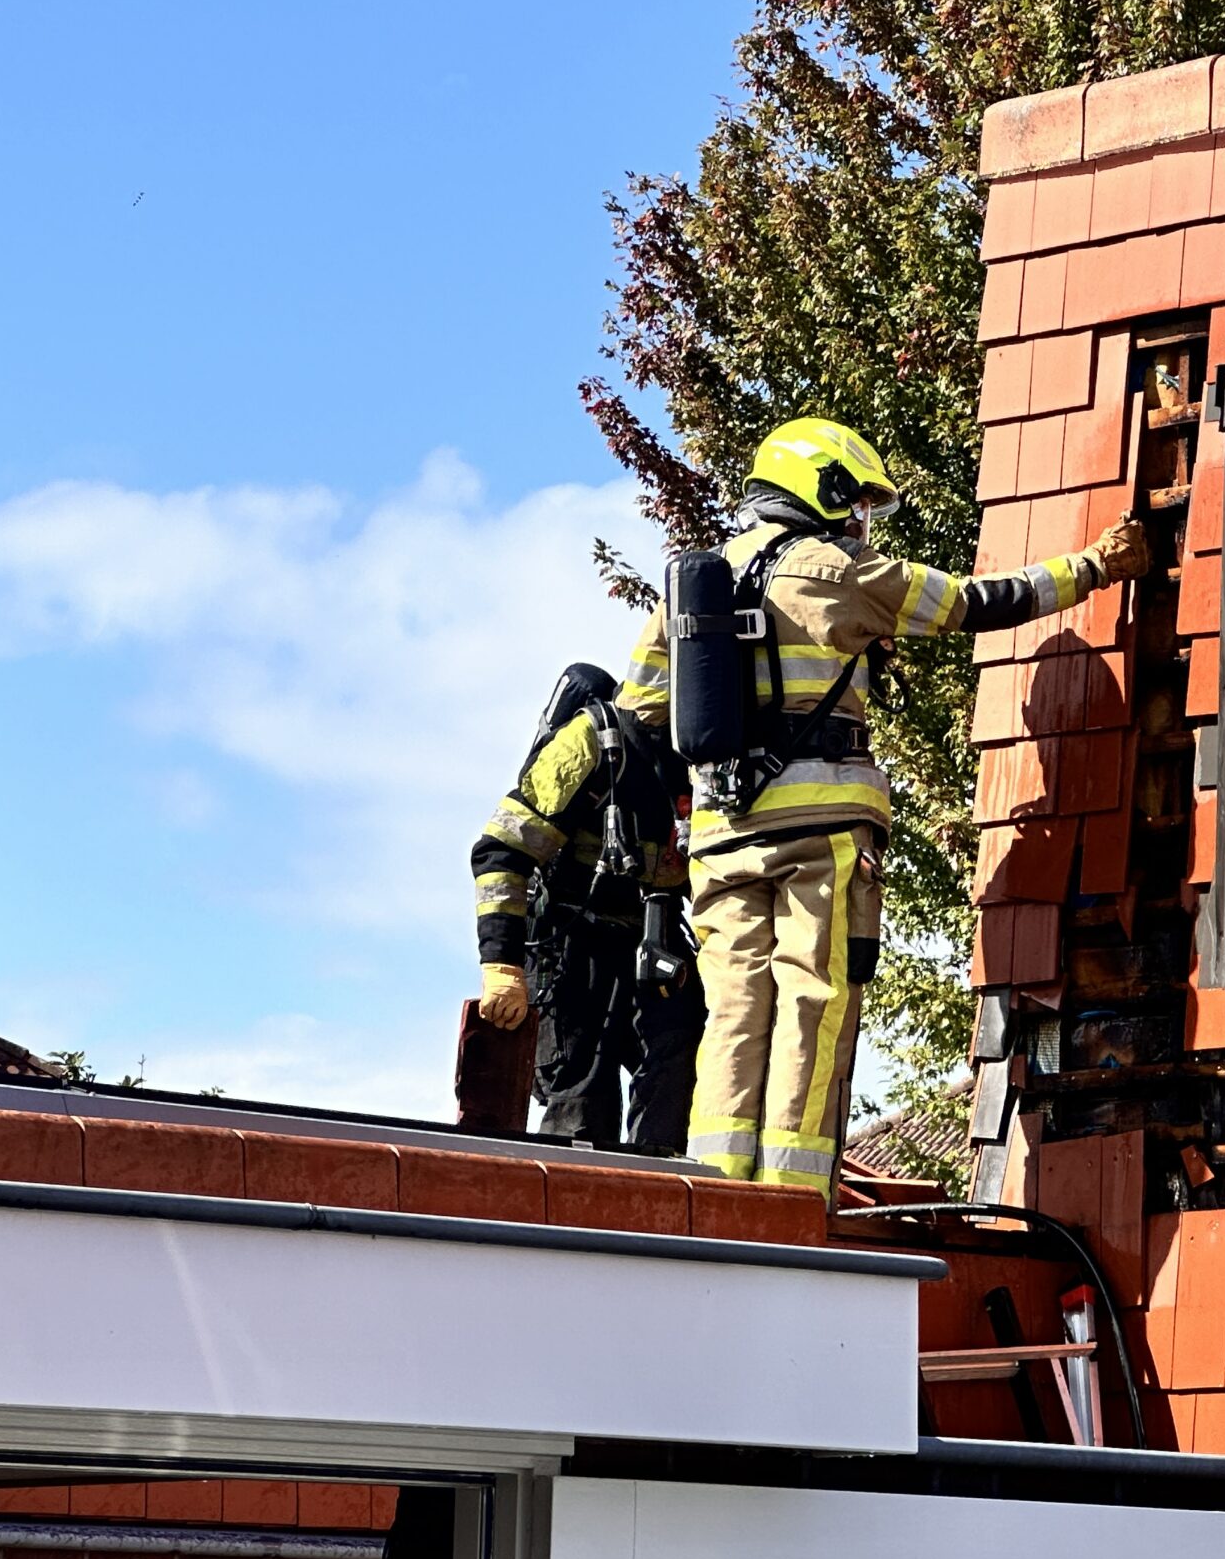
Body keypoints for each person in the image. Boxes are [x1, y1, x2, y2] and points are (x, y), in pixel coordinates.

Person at [613, 417, 1147, 1197]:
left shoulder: (695, 586)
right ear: (822, 487)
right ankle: (795, 1198)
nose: (861, 519)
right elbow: (976, 602)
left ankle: (720, 1188)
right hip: (818, 835)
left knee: (731, 1012)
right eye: (856, 501)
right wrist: (1092, 568)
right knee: (811, 1004)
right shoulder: (841, 573)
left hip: (721, 843)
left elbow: (640, 714)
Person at [469, 662, 702, 1151]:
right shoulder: (593, 740)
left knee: (684, 1067)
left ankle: (665, 1195)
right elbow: (502, 851)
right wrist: (502, 964)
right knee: (581, 1107)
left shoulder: (709, 757)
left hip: (655, 946)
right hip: (574, 952)